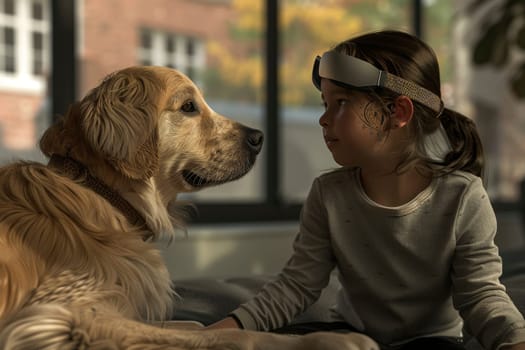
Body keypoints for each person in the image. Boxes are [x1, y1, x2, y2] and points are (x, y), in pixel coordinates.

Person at [206, 30, 525, 349]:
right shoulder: (328, 194)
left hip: (433, 341)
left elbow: (481, 295)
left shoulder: (463, 198)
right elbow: (296, 286)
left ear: (397, 113)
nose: (323, 119)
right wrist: (218, 335)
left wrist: (513, 340)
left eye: (341, 102)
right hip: (352, 336)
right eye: (325, 103)